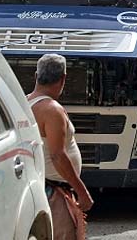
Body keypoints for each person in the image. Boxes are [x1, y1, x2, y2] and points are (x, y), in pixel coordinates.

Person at [27, 54, 94, 240]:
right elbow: (58, 155)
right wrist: (82, 192)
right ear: (63, 78)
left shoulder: (25, 102)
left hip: (43, 187)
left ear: (36, 76)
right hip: (54, 193)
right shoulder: (51, 110)